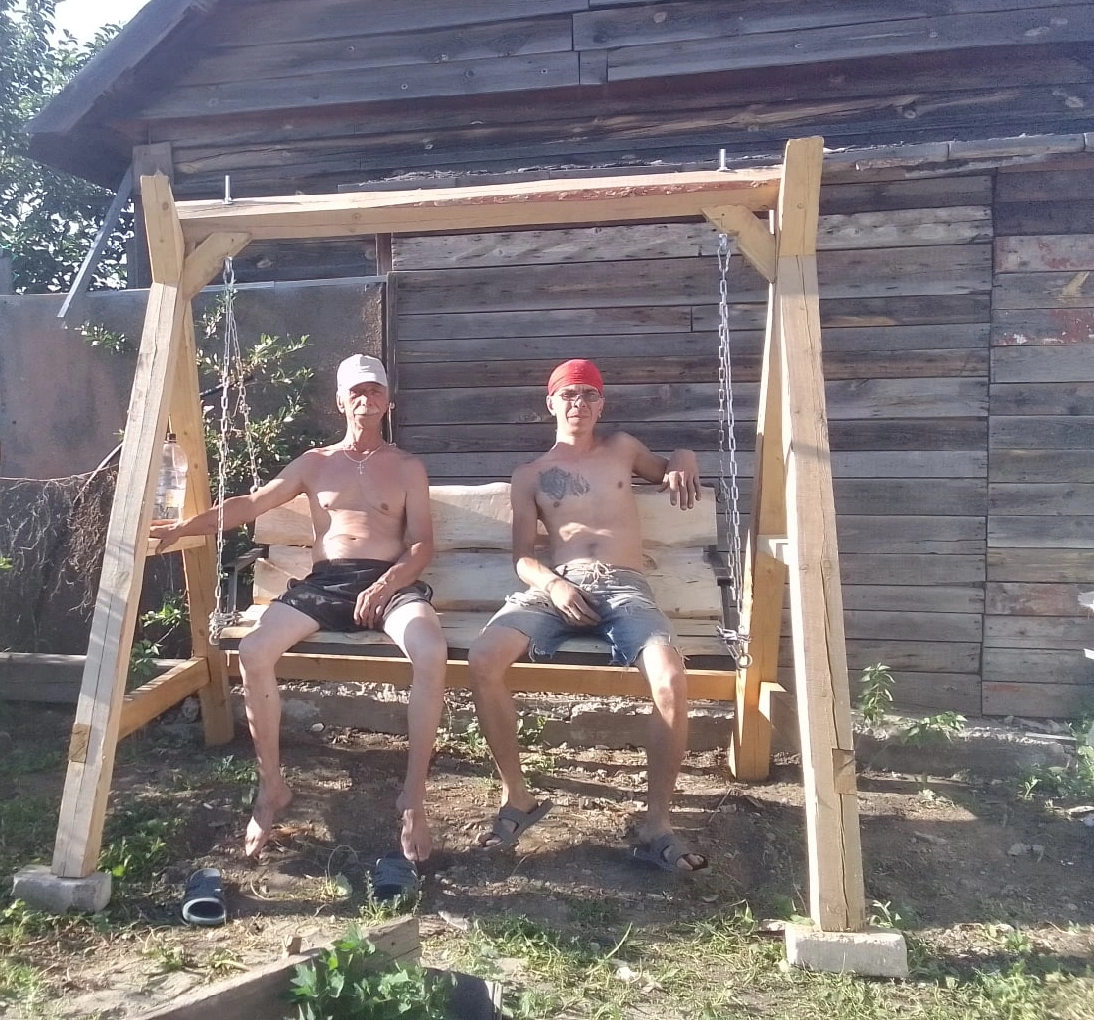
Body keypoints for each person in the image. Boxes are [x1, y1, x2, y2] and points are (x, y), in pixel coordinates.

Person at [151, 354, 447, 863]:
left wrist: (387, 584)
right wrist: (184, 528)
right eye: (356, 391)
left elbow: (421, 545)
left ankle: (413, 799)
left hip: (388, 582)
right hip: (327, 583)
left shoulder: (406, 467)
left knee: (431, 649)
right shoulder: (314, 463)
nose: (366, 398)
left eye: (375, 390)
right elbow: (252, 503)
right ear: (340, 402)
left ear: (388, 402)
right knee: (254, 650)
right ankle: (272, 787)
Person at [466, 358, 709, 872]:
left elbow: (666, 467)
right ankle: (517, 799)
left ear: (602, 404)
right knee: (483, 657)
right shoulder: (530, 475)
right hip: (560, 584)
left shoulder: (622, 449)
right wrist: (553, 584)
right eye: (569, 395)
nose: (578, 403)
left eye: (589, 395)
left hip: (624, 586)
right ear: (550, 404)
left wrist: (685, 455)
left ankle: (656, 824)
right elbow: (523, 559)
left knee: (670, 678)